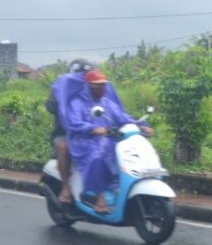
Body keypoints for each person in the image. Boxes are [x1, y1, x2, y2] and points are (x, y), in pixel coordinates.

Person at [61, 69, 152, 214]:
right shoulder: (77, 103)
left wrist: (141, 126)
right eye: (98, 85)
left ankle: (117, 189)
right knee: (97, 157)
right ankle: (99, 197)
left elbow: (123, 118)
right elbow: (74, 123)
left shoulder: (107, 103)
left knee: (123, 154)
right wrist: (93, 129)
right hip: (83, 141)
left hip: (106, 140)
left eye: (103, 85)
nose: (102, 88)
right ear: (89, 86)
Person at [45, 59, 95, 203]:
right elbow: (50, 107)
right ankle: (66, 187)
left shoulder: (93, 89)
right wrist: (61, 103)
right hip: (64, 133)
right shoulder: (61, 89)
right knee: (63, 147)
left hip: (88, 133)